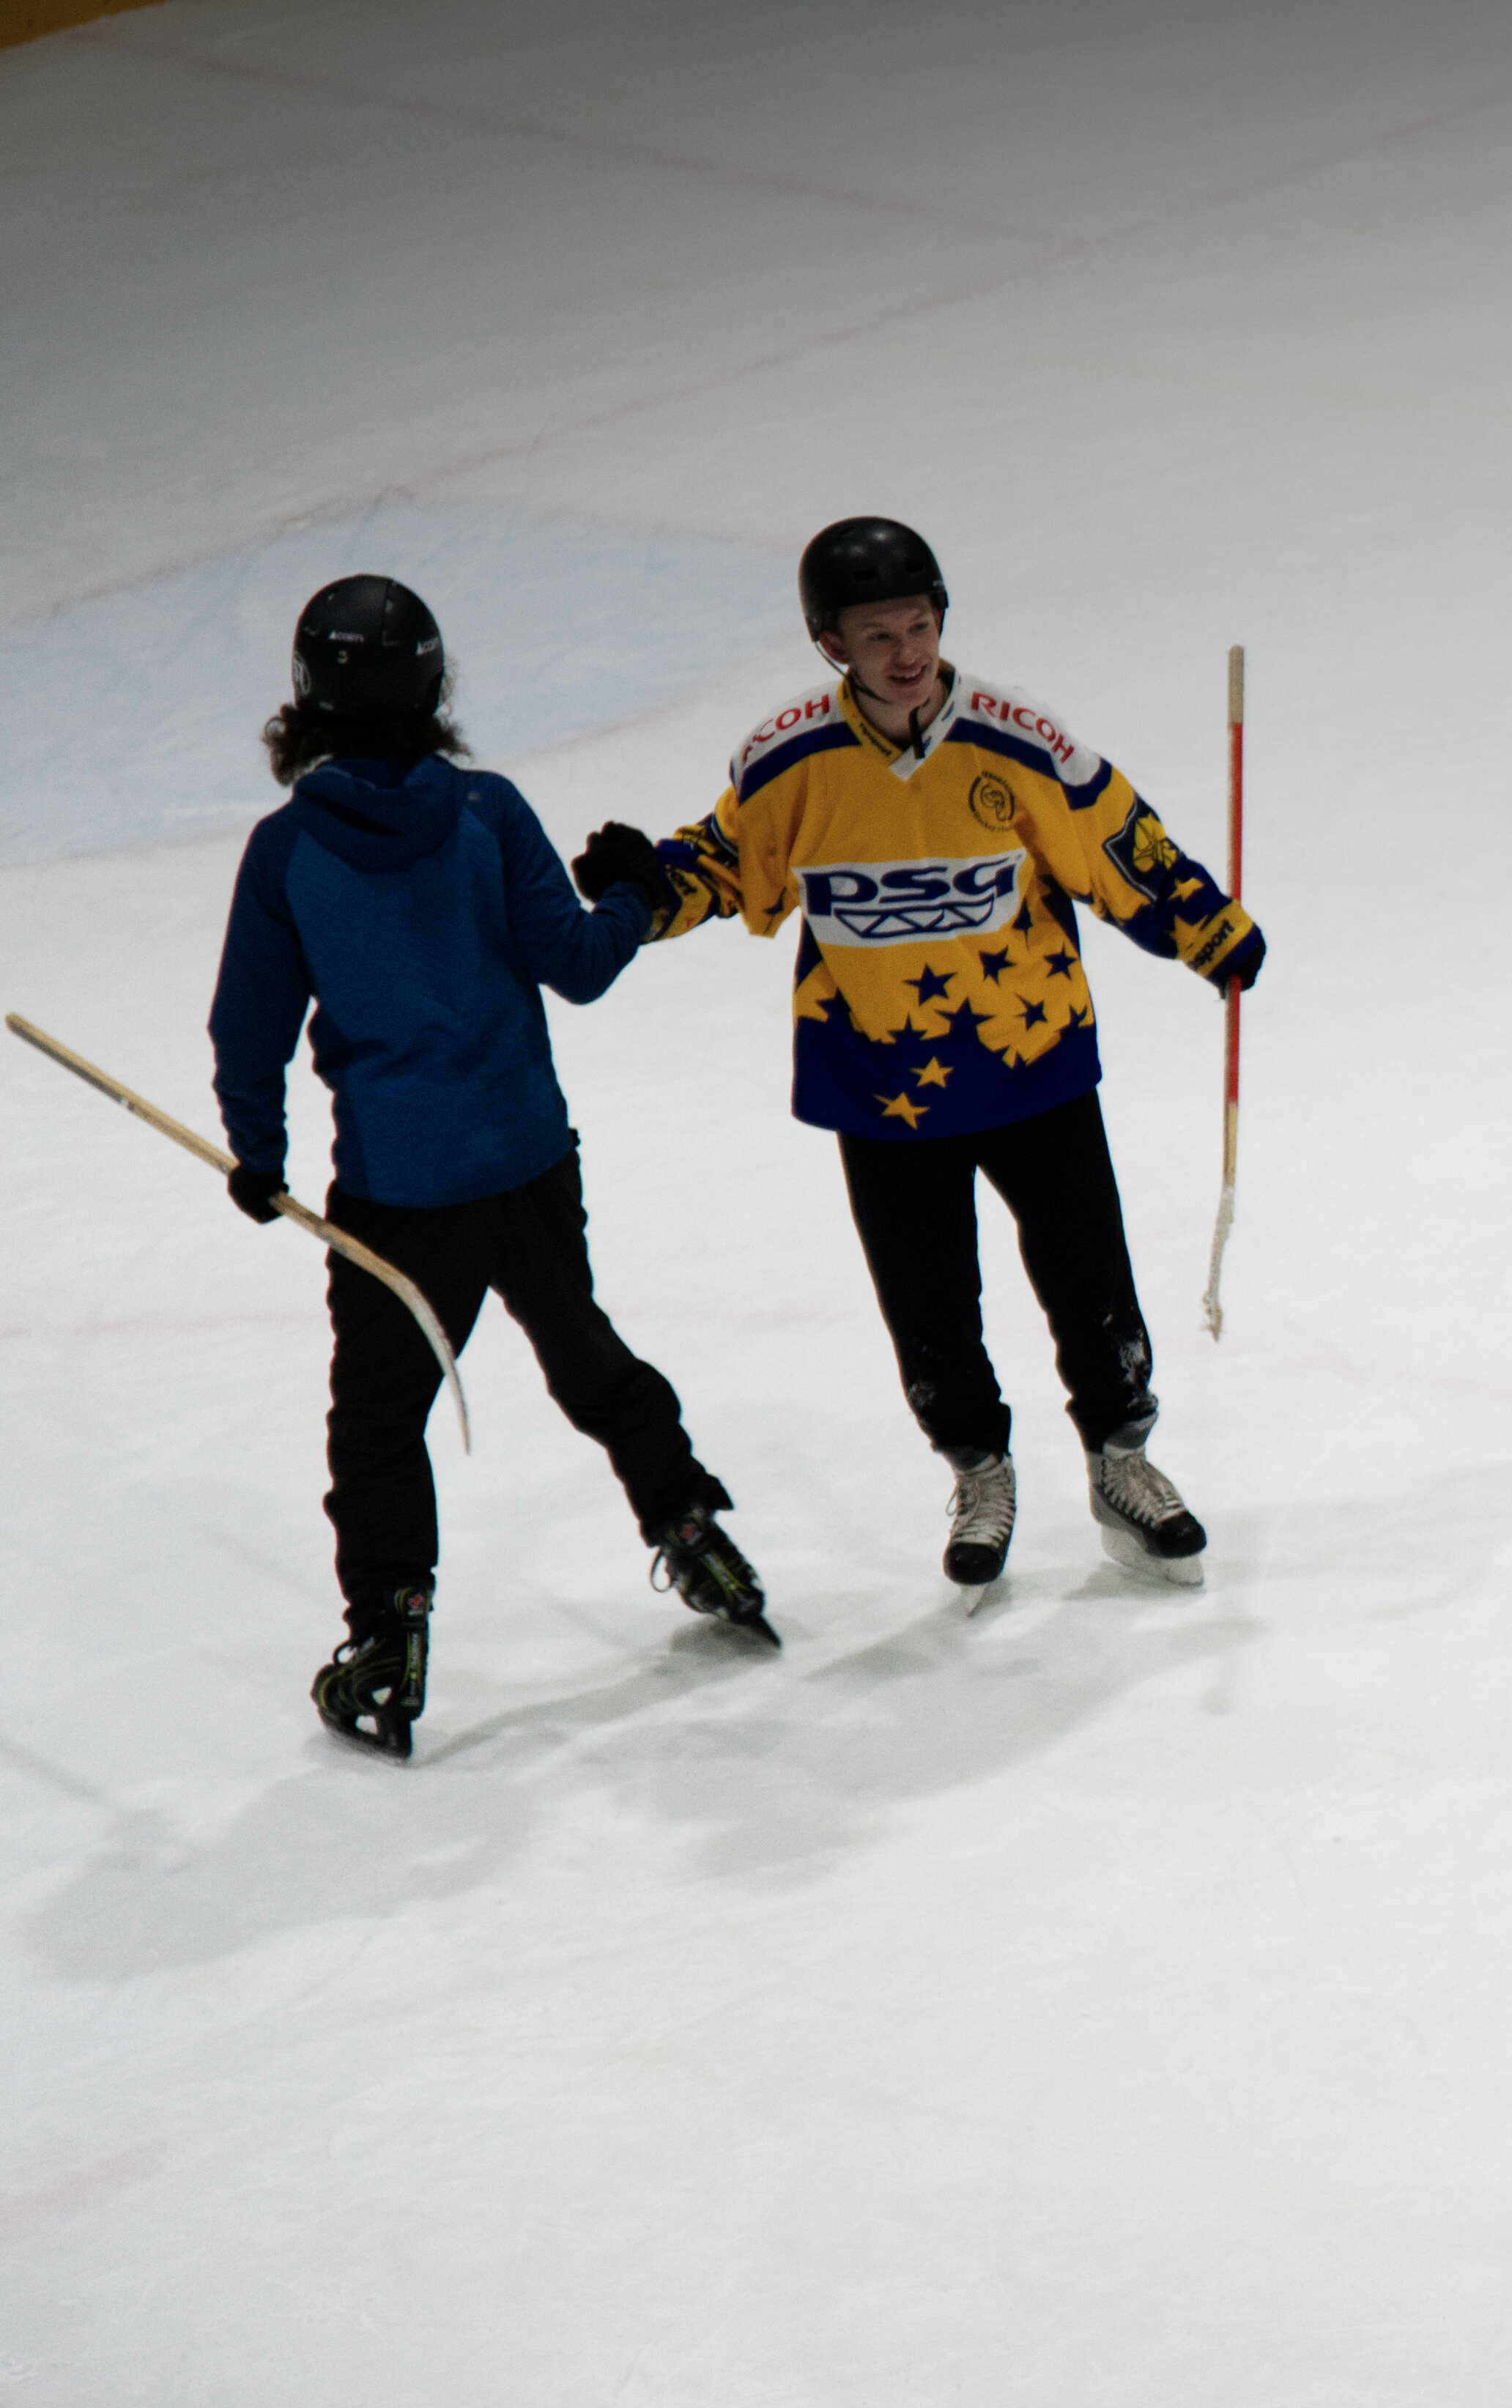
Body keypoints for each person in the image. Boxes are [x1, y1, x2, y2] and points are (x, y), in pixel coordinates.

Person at [579, 516, 1260, 1593]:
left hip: (1032, 1064)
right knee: (930, 1307)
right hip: (880, 1084)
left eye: (919, 625)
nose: (907, 653)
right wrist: (646, 887)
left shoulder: (1018, 741)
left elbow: (1116, 840)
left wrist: (1204, 926)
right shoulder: (790, 760)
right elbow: (729, 864)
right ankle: (980, 1471)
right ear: (830, 644)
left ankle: (1120, 1459)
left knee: (1090, 1279)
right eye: (877, 634)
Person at [207, 574, 767, 1761]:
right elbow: (579, 964)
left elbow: (248, 1028)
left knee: (378, 1424)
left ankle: (387, 1632)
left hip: (399, 1196)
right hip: (526, 1161)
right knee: (586, 1353)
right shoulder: (486, 811)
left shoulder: (288, 851)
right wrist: (633, 889)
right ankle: (690, 1522)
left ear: (306, 698)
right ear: (434, 686)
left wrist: (258, 1154)